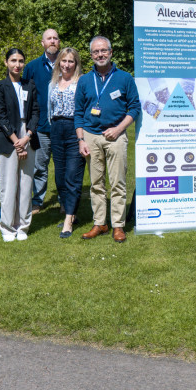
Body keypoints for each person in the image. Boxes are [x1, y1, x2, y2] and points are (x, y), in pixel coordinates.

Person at [75, 36, 140, 243]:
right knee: (96, 183)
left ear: (111, 52)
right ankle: (100, 223)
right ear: (91, 55)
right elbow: (78, 112)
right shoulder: (85, 80)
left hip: (116, 136)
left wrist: (119, 128)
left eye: (103, 51)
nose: (100, 55)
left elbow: (135, 107)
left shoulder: (125, 78)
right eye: (96, 52)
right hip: (91, 136)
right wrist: (81, 140)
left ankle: (118, 225)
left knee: (118, 183)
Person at [0, 48, 41, 242]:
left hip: (27, 136)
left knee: (25, 183)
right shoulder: (0, 86)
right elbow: (0, 114)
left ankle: (23, 225)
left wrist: (27, 137)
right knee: (8, 184)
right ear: (6, 63)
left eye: (21, 61)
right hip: (8, 138)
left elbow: (36, 112)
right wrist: (16, 141)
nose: (17, 64)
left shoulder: (29, 84)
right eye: (13, 60)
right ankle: (7, 226)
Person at [48, 47, 85, 238]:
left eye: (71, 61)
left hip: (74, 129)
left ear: (76, 63)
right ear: (59, 62)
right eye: (63, 61)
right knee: (60, 176)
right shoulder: (53, 83)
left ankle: (68, 220)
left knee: (73, 176)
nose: (67, 64)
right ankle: (69, 210)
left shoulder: (81, 82)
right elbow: (49, 109)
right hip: (56, 130)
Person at [22, 28, 60, 212]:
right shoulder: (32, 67)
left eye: (55, 38)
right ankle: (37, 200)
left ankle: (64, 200)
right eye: (49, 38)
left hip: (63, 126)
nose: (52, 41)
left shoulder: (67, 63)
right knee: (40, 166)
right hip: (42, 126)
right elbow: (25, 97)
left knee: (63, 165)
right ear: (43, 43)